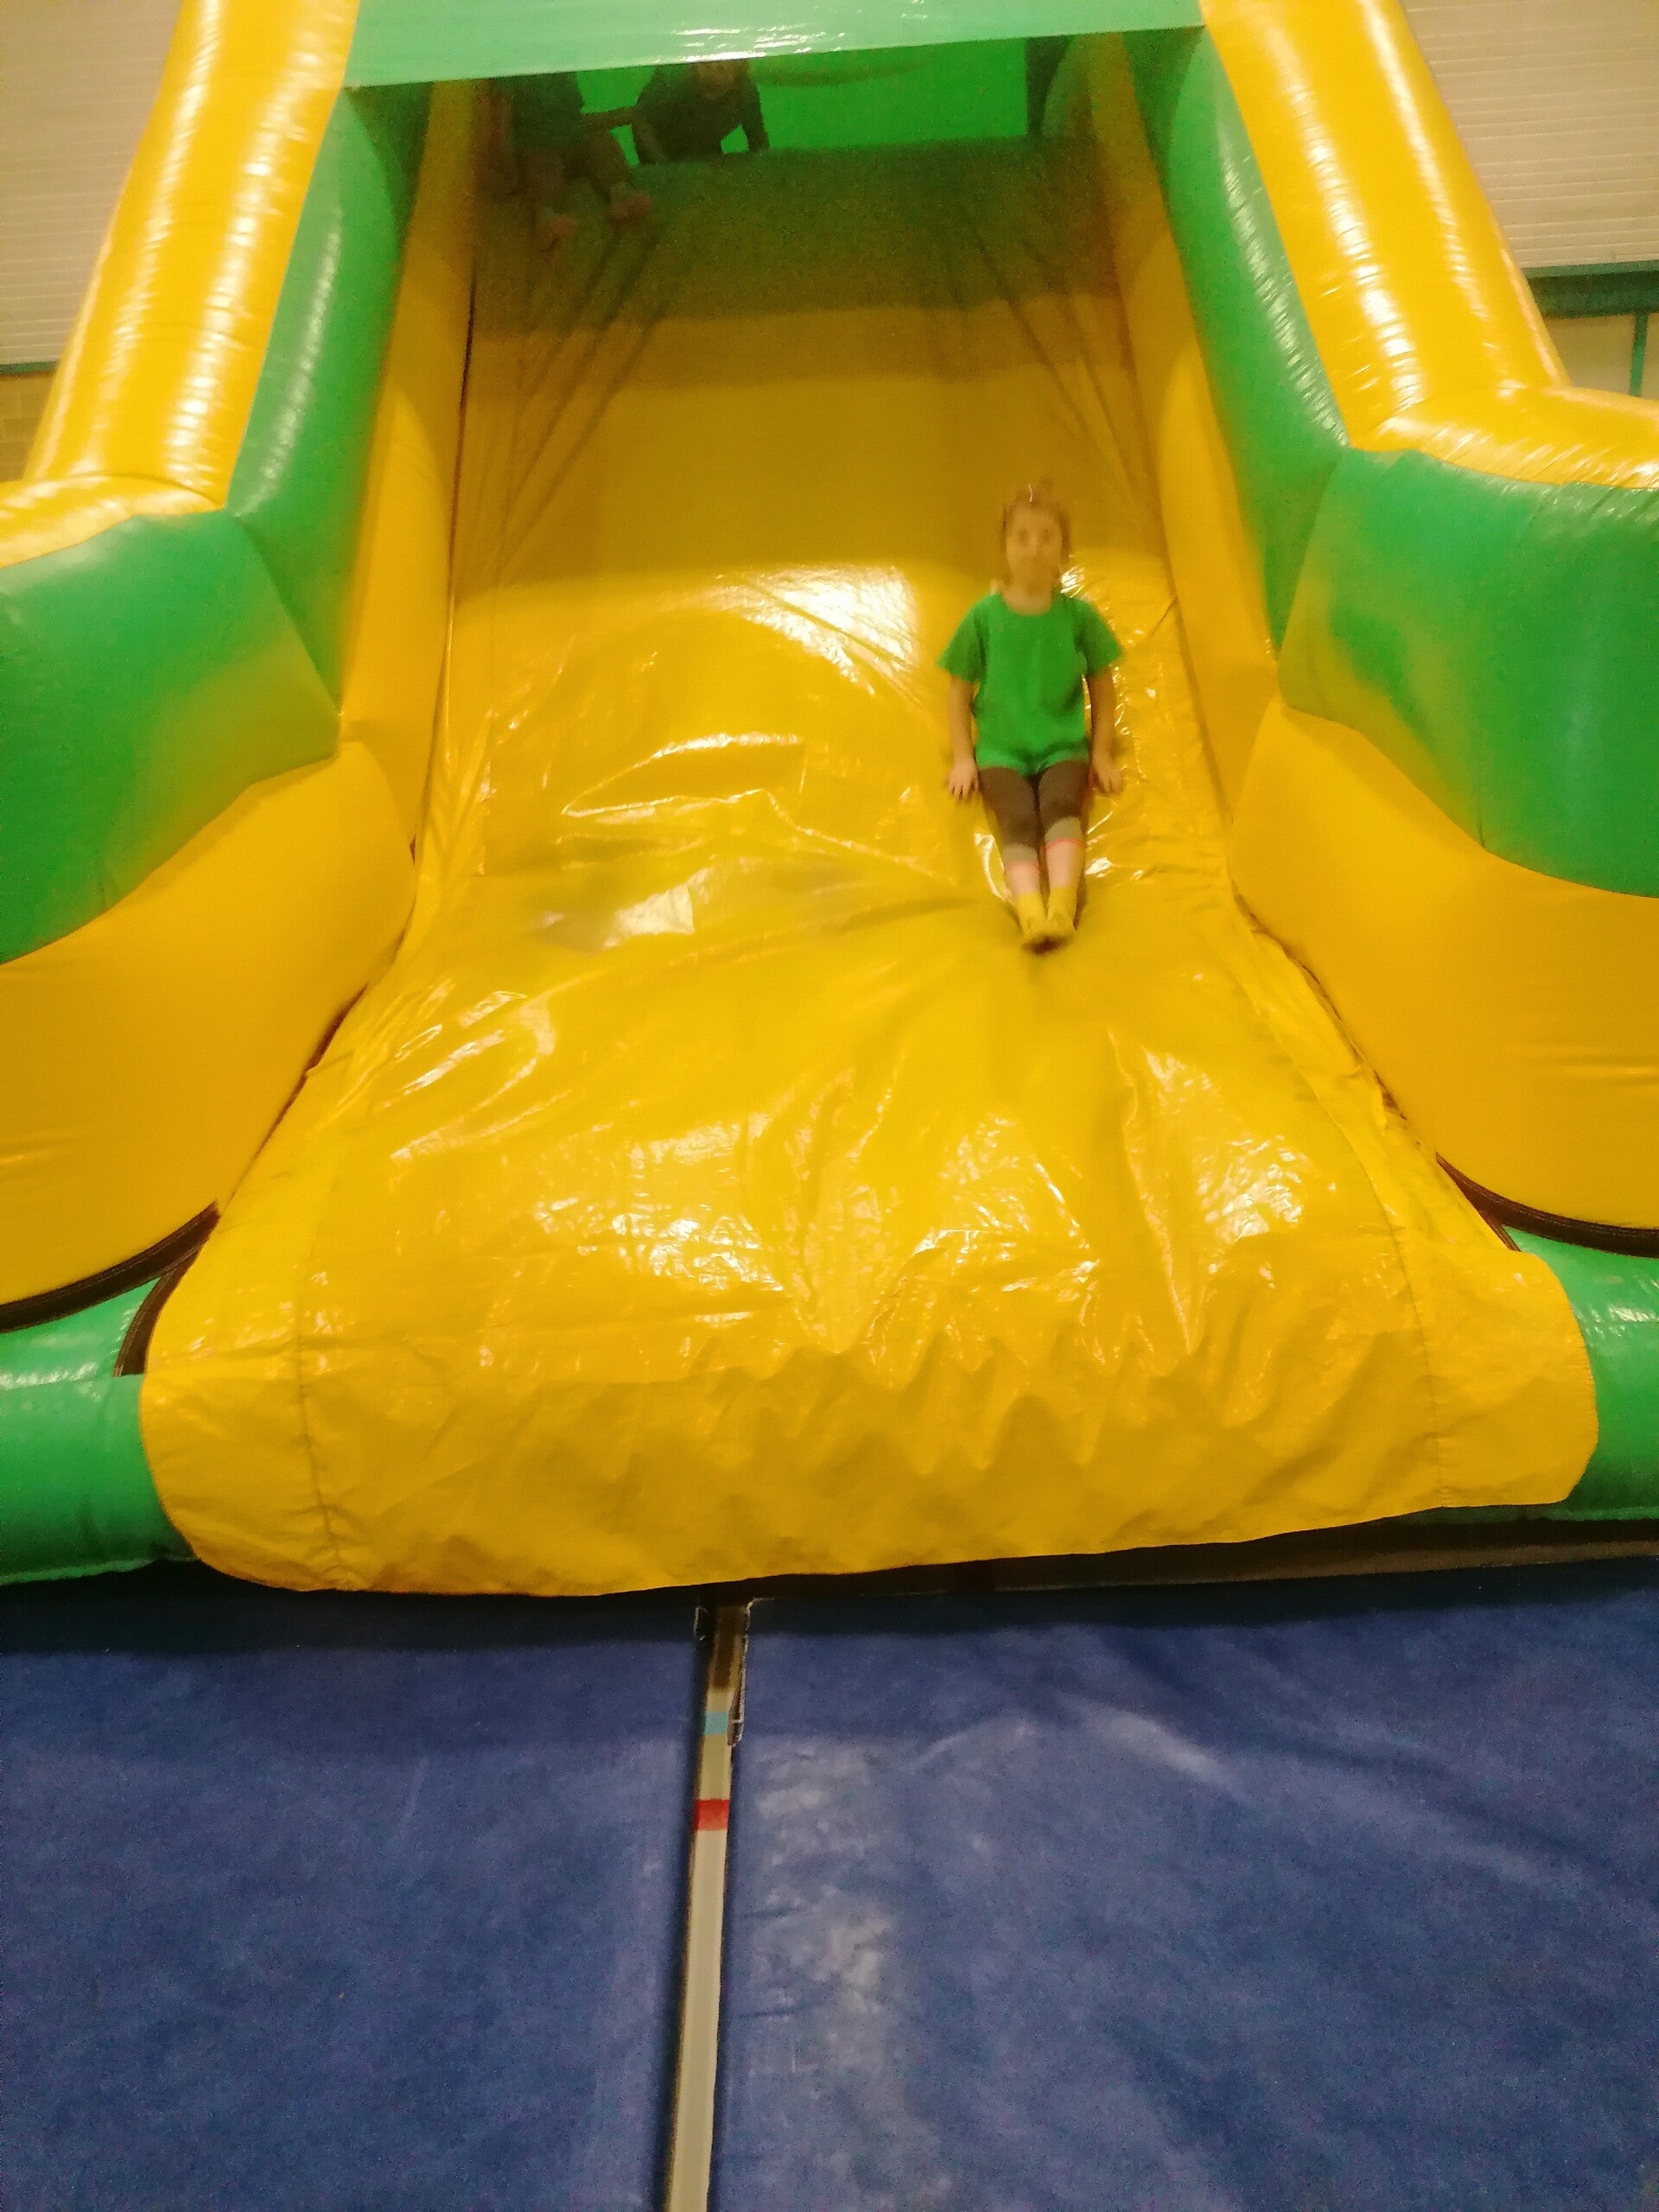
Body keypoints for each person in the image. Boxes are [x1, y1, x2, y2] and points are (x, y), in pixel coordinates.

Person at [938, 485, 1122, 950]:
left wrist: (1101, 751)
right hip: (1001, 751)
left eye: (1047, 537)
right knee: (1018, 819)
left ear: (1064, 550)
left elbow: (1103, 688)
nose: (1034, 548)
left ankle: (1061, 906)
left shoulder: (1078, 617)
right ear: (1004, 548)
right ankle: (1029, 912)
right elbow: (958, 691)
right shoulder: (983, 618)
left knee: (1061, 805)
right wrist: (963, 757)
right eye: (1021, 537)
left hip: (1061, 745)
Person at [486, 74, 652, 251]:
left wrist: (619, 116)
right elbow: (500, 122)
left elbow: (576, 119)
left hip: (574, 140)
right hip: (538, 143)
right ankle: (545, 216)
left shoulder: (563, 74)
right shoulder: (513, 73)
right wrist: (506, 165)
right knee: (541, 161)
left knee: (601, 142)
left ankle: (620, 192)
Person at [632, 60, 770, 164]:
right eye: (707, 65)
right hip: (659, 147)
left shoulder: (745, 92)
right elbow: (640, 120)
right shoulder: (671, 80)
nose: (712, 68)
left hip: (706, 149)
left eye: (725, 69)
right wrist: (662, 166)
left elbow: (757, 140)